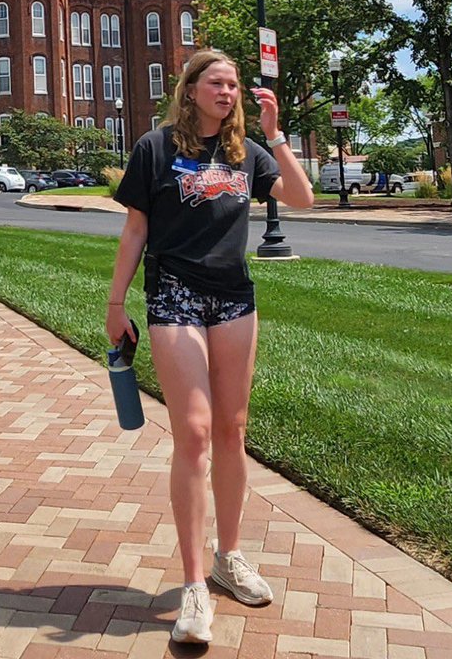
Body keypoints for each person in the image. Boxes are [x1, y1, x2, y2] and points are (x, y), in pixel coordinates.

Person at [106, 48, 313, 646]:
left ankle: (229, 555)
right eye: (217, 83)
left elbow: (302, 199)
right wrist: (116, 304)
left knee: (232, 430)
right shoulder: (155, 147)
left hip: (233, 298)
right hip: (173, 294)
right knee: (193, 431)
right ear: (191, 89)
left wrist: (277, 137)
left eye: (235, 85)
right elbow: (136, 229)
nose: (228, 92)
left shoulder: (247, 155)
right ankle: (195, 584)